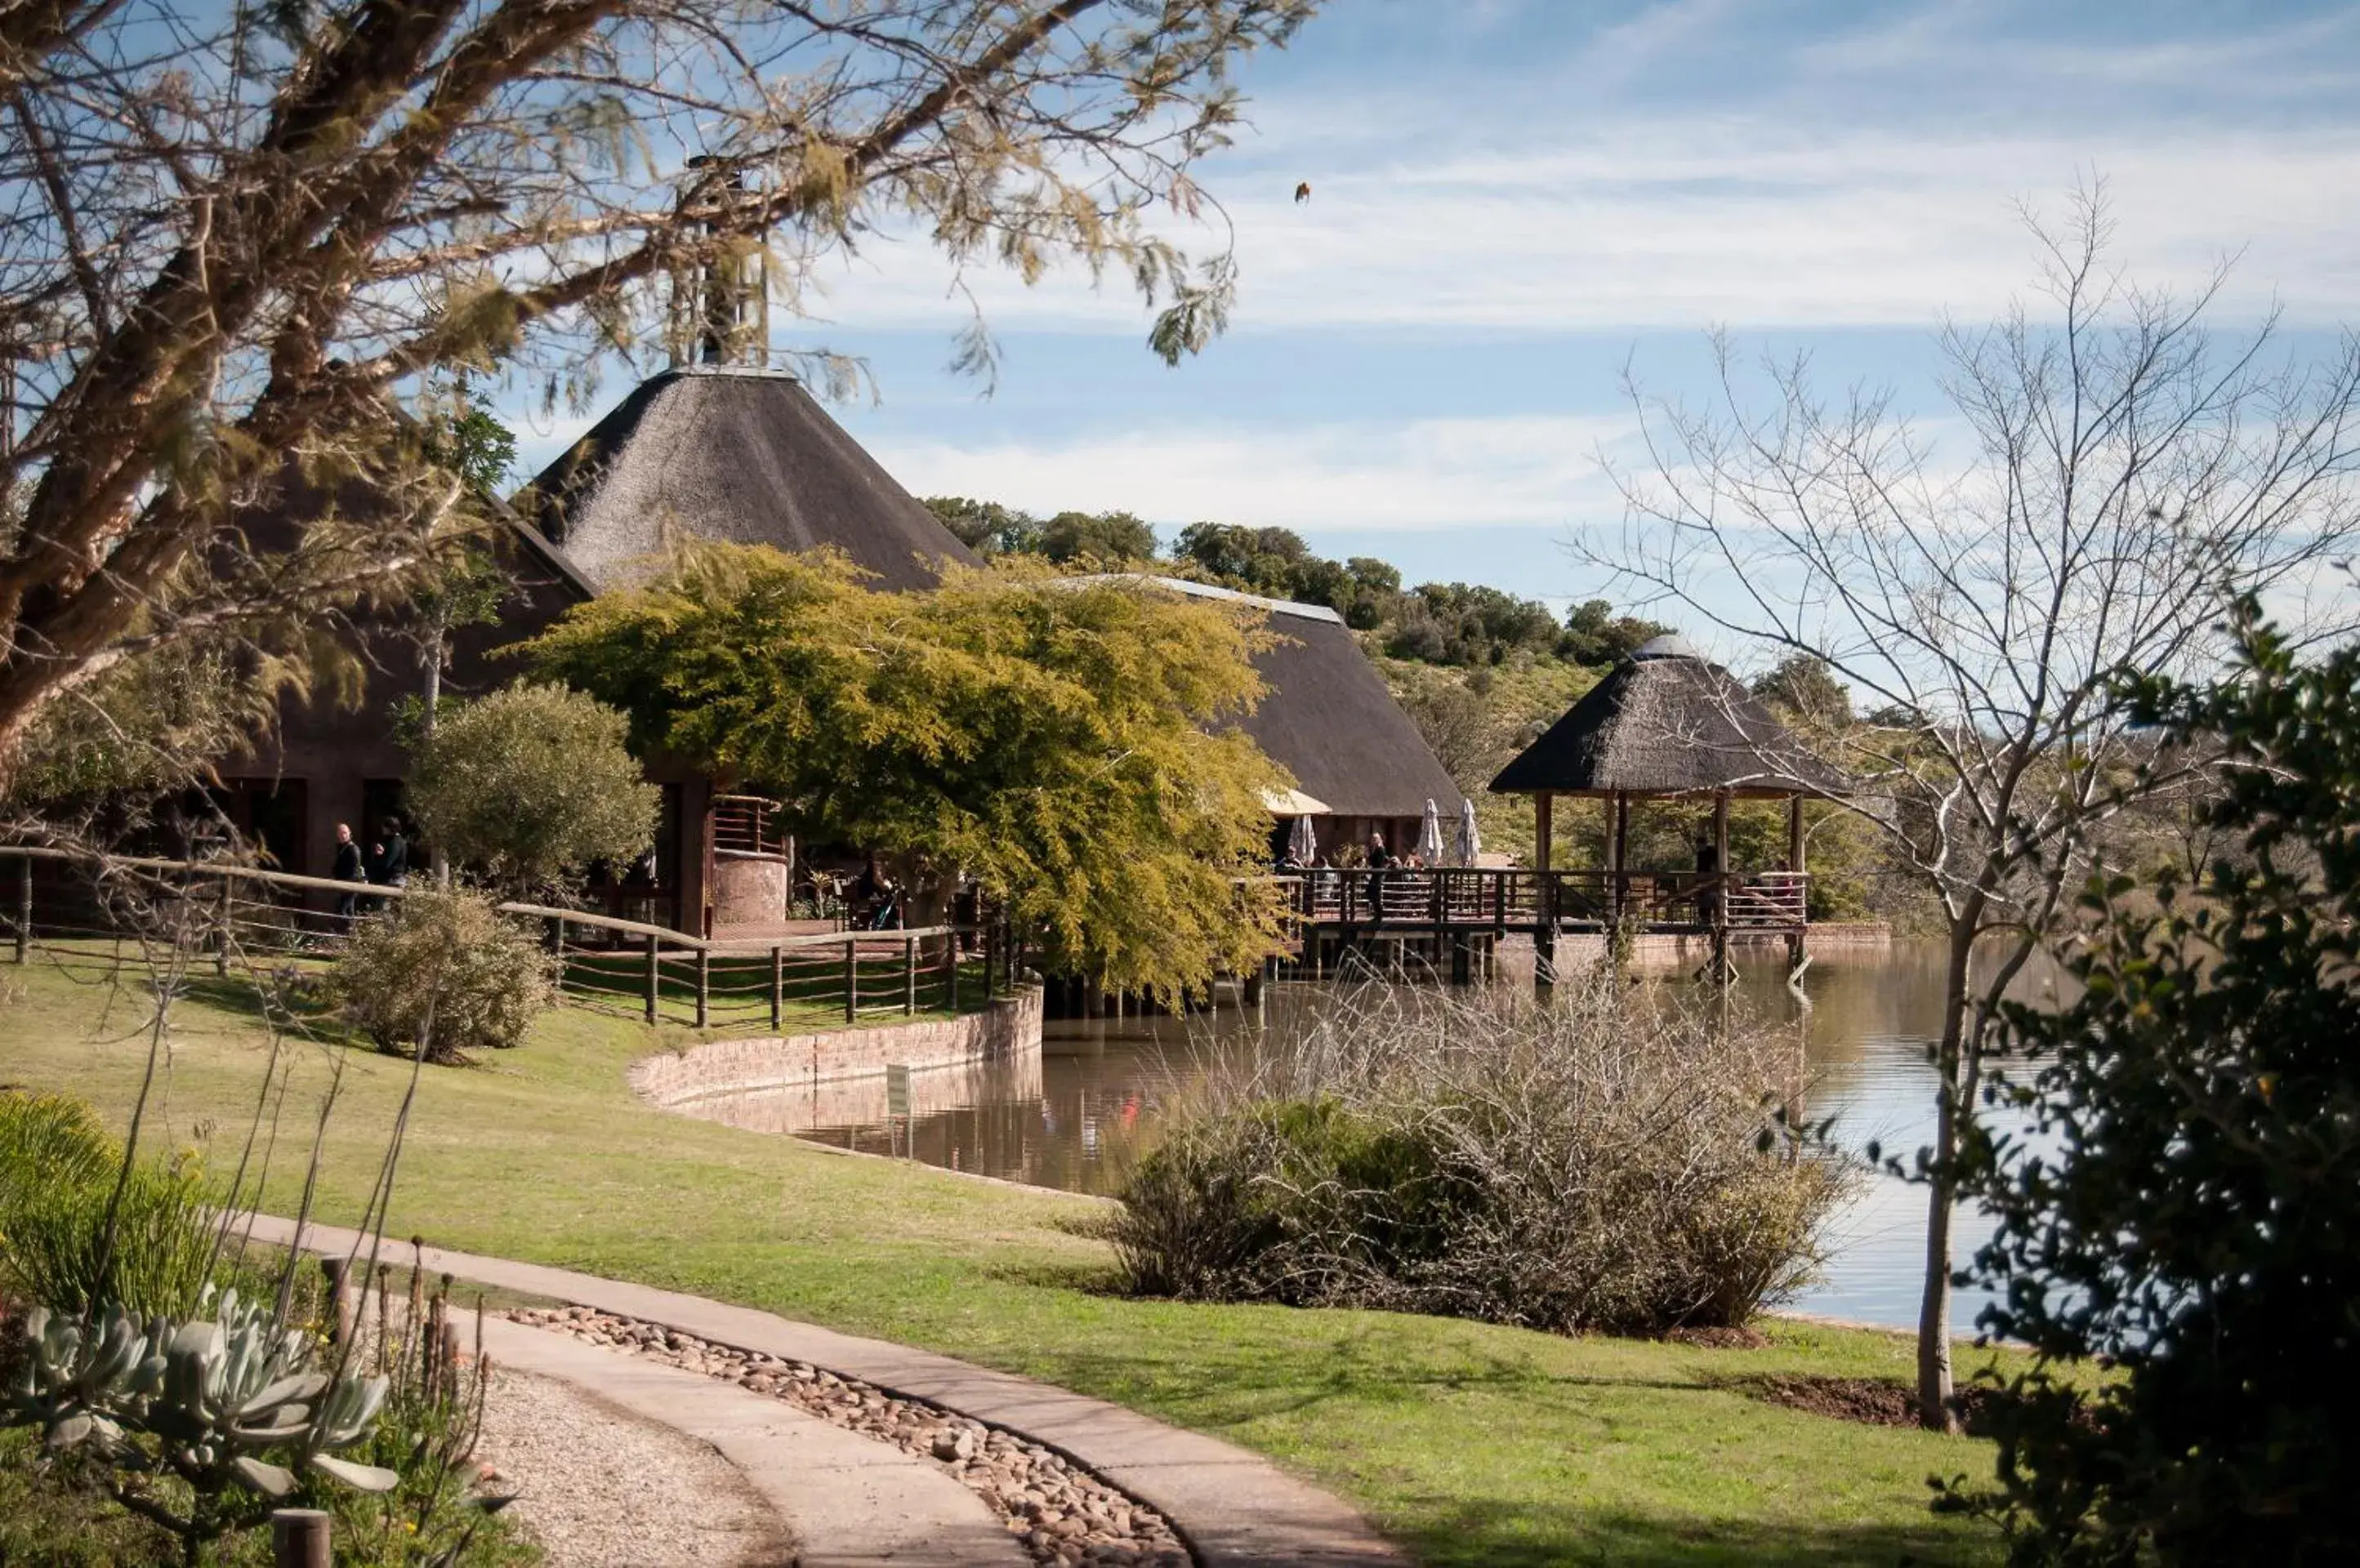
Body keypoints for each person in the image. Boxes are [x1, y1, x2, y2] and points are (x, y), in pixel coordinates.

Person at [367, 818, 409, 909]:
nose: (383, 829)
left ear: (390, 828)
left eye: (384, 827)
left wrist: (379, 856)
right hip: (397, 879)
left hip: (393, 880)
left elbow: (387, 863)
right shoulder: (400, 841)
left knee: (386, 909)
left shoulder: (395, 842)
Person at [330, 822, 366, 928]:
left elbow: (355, 870)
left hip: (351, 885)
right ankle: (352, 935)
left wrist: (347, 885)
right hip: (345, 885)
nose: (343, 835)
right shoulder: (342, 848)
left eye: (345, 833)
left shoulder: (353, 849)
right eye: (341, 833)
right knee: (349, 912)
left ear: (349, 833)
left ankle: (355, 929)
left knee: (341, 911)